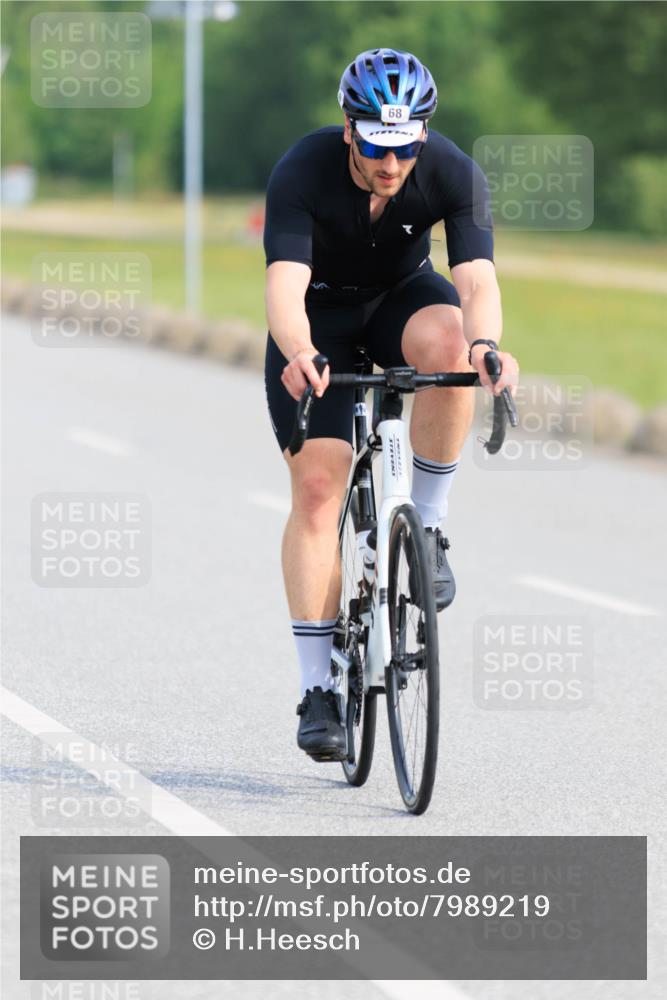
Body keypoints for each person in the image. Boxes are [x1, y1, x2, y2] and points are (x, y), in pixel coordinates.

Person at [263, 47, 519, 762]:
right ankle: (318, 689)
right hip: (318, 323)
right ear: (349, 129)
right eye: (376, 145)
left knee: (449, 339)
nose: (390, 164)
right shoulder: (303, 170)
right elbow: (283, 288)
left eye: (405, 147)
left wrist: (487, 345)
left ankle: (428, 526)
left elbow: (475, 279)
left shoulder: (450, 170)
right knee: (318, 490)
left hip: (402, 303)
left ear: (423, 136)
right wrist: (299, 351)